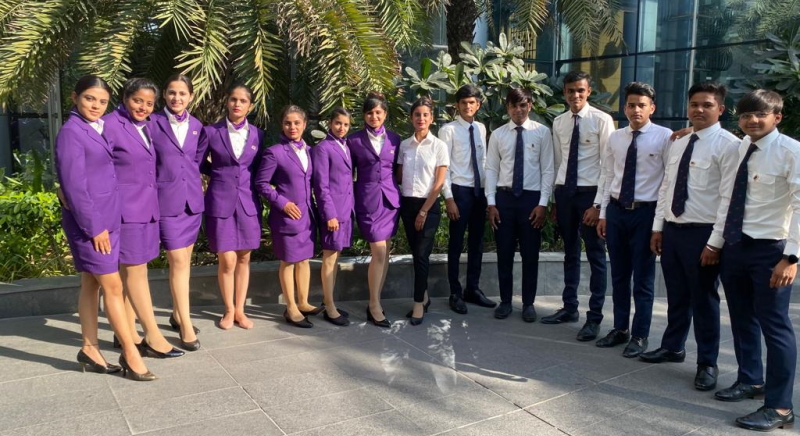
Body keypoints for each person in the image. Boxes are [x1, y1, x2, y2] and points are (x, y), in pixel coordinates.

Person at [639, 82, 739, 393]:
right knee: (677, 294)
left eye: (707, 105)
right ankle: (673, 346)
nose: (699, 109)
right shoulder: (679, 142)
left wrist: (715, 243)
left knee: (704, 299)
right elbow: (667, 187)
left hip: (703, 233)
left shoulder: (730, 145)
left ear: (720, 109)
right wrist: (658, 228)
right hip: (673, 230)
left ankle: (707, 362)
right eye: (694, 104)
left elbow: (729, 199)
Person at [55, 75, 155, 381]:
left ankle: (90, 348)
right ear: (74, 98)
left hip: (109, 218)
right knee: (113, 286)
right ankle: (130, 352)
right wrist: (94, 228)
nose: (96, 105)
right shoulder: (71, 132)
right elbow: (74, 187)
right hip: (91, 224)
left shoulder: (95, 127)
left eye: (102, 101)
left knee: (91, 283)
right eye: (89, 99)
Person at [714, 89, 797, 432]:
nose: (752, 120)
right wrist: (717, 243)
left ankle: (780, 406)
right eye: (746, 115)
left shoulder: (791, 151)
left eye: (760, 114)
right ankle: (750, 379)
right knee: (741, 317)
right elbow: (728, 197)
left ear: (777, 117)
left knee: (775, 326)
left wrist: (792, 257)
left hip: (772, 251)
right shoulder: (740, 147)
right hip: (736, 245)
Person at [103, 78, 184, 359]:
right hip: (126, 211)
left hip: (146, 209)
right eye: (138, 100)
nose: (143, 107)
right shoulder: (109, 125)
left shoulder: (146, 126)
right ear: (125, 98)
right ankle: (152, 335)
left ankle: (125, 333)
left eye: (149, 103)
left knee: (132, 273)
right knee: (136, 272)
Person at [595, 82, 672, 358]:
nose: (636, 110)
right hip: (617, 211)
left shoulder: (665, 137)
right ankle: (619, 328)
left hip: (645, 213)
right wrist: (603, 213)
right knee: (618, 275)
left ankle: (640, 334)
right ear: (624, 108)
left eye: (641, 105)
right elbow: (607, 176)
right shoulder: (616, 137)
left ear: (652, 108)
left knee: (642, 277)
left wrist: (658, 225)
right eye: (631, 105)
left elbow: (668, 183)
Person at [542, 71, 614, 342]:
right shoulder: (559, 122)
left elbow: (608, 166)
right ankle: (569, 307)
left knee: (595, 255)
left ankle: (594, 318)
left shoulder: (601, 120)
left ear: (589, 91)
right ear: (564, 93)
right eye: (571, 90)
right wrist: (554, 199)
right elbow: (558, 162)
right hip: (565, 194)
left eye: (580, 90)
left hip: (590, 194)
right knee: (569, 252)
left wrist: (598, 205)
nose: (575, 95)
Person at [485, 88, 555, 322]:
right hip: (504, 199)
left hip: (531, 201)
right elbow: (491, 169)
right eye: (514, 105)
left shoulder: (542, 133)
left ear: (530, 106)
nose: (518, 110)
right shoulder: (498, 135)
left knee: (530, 254)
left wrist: (543, 203)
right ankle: (505, 302)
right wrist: (491, 203)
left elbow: (548, 169)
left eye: (523, 105)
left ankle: (528, 303)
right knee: (504, 253)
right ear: (507, 108)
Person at [201, 83, 265, 330]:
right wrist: (218, 174)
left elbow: (258, 168)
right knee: (227, 260)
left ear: (250, 106)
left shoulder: (258, 135)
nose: (237, 104)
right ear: (227, 102)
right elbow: (199, 162)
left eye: (243, 101)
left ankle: (240, 310)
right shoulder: (211, 132)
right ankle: (228, 309)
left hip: (248, 202)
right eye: (233, 99)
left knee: (244, 258)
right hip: (220, 200)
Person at [149, 74, 205, 351]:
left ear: (191, 96)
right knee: (178, 262)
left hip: (191, 203)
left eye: (182, 93)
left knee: (185, 262)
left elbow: (195, 161)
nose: (177, 98)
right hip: (166, 202)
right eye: (172, 92)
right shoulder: (152, 122)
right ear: (164, 95)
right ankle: (186, 323)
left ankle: (176, 314)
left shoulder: (197, 126)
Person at [256, 105, 320, 328]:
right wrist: (282, 203)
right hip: (287, 217)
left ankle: (303, 302)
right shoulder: (274, 152)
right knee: (289, 260)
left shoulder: (310, 151)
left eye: (296, 123)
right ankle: (291, 307)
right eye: (287, 123)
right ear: (282, 125)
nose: (292, 127)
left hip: (307, 216)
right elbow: (261, 183)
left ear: (304, 124)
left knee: (304, 259)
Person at [439, 84, 496, 314]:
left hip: (478, 191)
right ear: (457, 105)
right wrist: (449, 198)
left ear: (478, 105)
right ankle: (455, 292)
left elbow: (484, 161)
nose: (467, 106)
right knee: (455, 242)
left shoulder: (481, 128)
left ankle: (473, 288)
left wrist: (488, 194)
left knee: (477, 242)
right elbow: (444, 166)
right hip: (459, 191)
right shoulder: (448, 130)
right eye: (463, 103)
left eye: (472, 102)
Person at [348, 92, 402, 328]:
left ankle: (376, 299)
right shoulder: (354, 140)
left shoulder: (395, 139)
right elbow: (347, 173)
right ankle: (373, 305)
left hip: (390, 201)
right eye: (369, 113)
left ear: (385, 114)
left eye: (378, 112)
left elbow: (399, 171)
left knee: (385, 252)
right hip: (368, 201)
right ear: (364, 115)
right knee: (379, 251)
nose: (374, 116)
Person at [396, 97, 449, 325]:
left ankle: (418, 303)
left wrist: (424, 211)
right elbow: (399, 177)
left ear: (432, 118)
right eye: (417, 114)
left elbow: (439, 183)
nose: (421, 118)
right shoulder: (404, 146)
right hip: (408, 205)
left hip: (429, 206)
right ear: (411, 118)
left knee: (421, 254)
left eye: (425, 115)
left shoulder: (439, 146)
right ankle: (425, 296)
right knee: (415, 253)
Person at [312, 108, 355, 326]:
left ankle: (329, 301)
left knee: (336, 257)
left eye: (346, 124)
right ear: (330, 123)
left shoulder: (346, 146)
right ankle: (329, 307)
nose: (341, 128)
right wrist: (329, 214)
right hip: (333, 213)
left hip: (346, 210)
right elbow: (321, 185)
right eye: (338, 123)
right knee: (329, 258)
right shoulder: (323, 148)